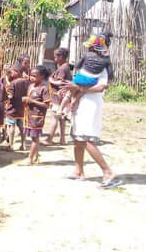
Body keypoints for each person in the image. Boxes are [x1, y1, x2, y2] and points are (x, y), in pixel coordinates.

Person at [65, 61, 123, 189]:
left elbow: (100, 87)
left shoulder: (101, 69)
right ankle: (78, 171)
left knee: (86, 139)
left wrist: (78, 89)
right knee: (78, 139)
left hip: (91, 106)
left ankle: (107, 172)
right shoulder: (85, 68)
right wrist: (74, 99)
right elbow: (80, 88)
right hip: (82, 104)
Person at [61, 36, 113, 117]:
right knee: (81, 92)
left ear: (92, 47)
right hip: (91, 81)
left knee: (70, 92)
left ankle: (62, 109)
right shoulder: (106, 60)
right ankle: (73, 104)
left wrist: (76, 76)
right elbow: (110, 74)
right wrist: (109, 82)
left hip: (80, 79)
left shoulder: (86, 55)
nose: (88, 48)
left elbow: (77, 66)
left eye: (89, 46)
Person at [22, 66, 51, 166]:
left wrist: (31, 101)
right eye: (31, 75)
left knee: (35, 138)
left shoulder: (44, 89)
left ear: (42, 76)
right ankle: (36, 157)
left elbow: (46, 105)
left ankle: (30, 159)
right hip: (29, 116)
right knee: (33, 138)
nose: (32, 78)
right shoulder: (31, 86)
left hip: (37, 117)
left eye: (34, 76)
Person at [44, 48, 73, 145]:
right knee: (61, 119)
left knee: (54, 117)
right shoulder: (65, 67)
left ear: (61, 57)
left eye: (55, 56)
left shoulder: (62, 68)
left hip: (58, 98)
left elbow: (60, 82)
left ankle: (49, 139)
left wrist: (50, 80)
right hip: (63, 97)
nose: (54, 58)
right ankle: (62, 139)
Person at [5, 64, 29, 151]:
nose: (10, 74)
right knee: (22, 127)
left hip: (12, 109)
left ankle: (11, 145)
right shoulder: (27, 82)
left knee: (11, 126)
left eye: (11, 72)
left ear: (17, 72)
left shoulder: (13, 83)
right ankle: (24, 144)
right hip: (22, 109)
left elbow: (10, 96)